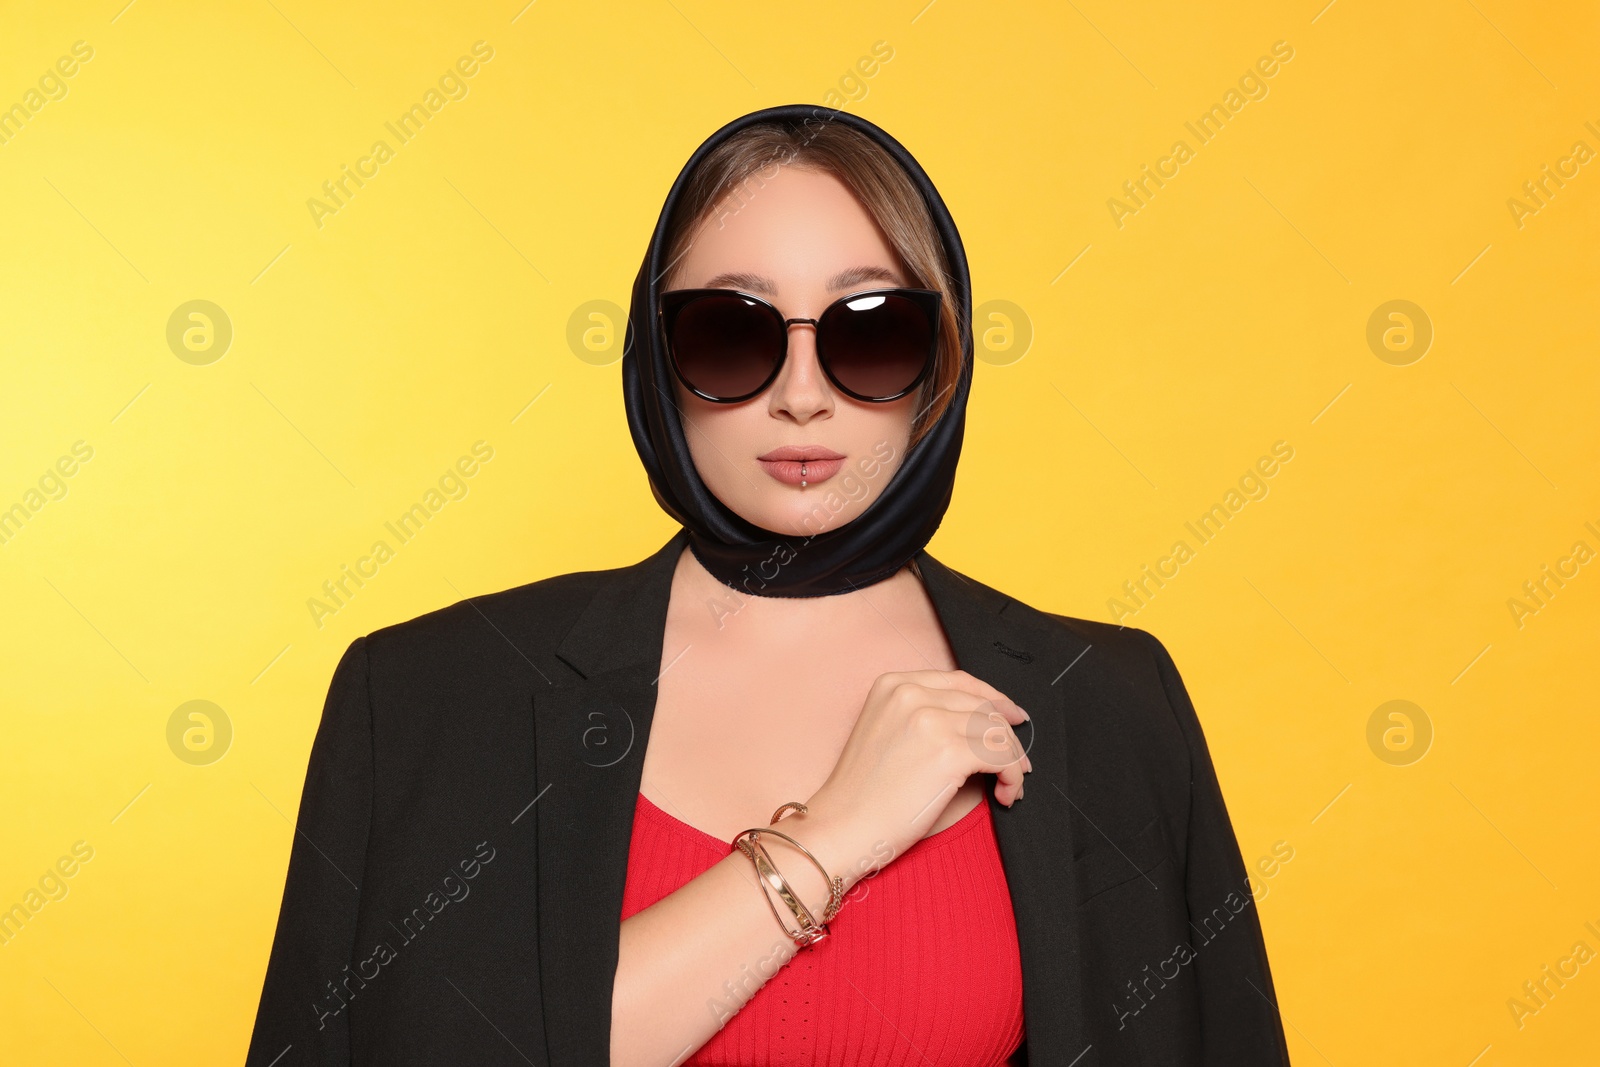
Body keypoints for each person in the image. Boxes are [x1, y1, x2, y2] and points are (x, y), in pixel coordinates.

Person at [245, 103, 1290, 1067]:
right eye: (731, 331)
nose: (800, 396)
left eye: (870, 331)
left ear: (941, 359)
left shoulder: (1108, 700)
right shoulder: (431, 694)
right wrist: (836, 832)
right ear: (657, 357)